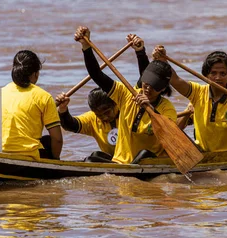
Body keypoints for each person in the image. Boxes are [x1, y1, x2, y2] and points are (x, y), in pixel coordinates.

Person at [74, 26, 177, 164]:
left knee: (144, 154)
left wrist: (151, 109)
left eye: (154, 86)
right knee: (92, 159)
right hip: (120, 162)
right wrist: (86, 46)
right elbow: (96, 75)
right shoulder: (126, 94)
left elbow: (170, 136)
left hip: (146, 162)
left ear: (163, 88)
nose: (148, 89)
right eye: (146, 84)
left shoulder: (167, 109)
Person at [153, 47, 227, 152]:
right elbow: (175, 79)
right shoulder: (197, 92)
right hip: (208, 154)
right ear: (206, 75)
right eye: (213, 73)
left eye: (223, 74)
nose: (218, 78)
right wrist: (163, 61)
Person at [55, 34, 148, 162]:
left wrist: (140, 52)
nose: (104, 117)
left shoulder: (129, 106)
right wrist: (63, 109)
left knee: (144, 154)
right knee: (93, 157)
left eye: (106, 112)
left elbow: (146, 83)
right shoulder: (93, 119)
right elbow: (70, 125)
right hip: (117, 161)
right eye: (99, 115)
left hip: (139, 158)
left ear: (116, 103)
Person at [0, 50, 63, 160]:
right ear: (35, 73)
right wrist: (55, 160)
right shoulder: (44, 96)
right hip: (26, 155)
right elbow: (57, 139)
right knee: (48, 141)